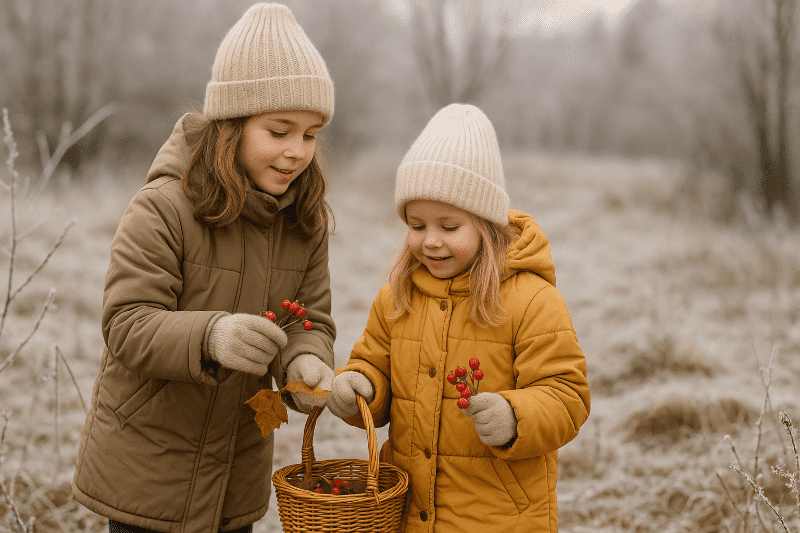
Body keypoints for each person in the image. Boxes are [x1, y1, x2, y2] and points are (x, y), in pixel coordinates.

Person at [71, 4, 337, 532]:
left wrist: (305, 363)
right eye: (280, 131)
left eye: (309, 135)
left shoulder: (303, 223)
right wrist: (212, 337)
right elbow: (126, 324)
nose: (296, 152)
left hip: (237, 472)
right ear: (231, 127)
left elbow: (310, 321)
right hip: (147, 473)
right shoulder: (163, 207)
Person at [327, 104, 590, 532]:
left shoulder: (531, 301)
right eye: (416, 225)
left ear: (486, 225)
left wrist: (513, 417)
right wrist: (360, 388)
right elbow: (375, 370)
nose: (430, 242)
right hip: (409, 515)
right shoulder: (396, 299)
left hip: (498, 518)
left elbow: (568, 396)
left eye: (449, 227)